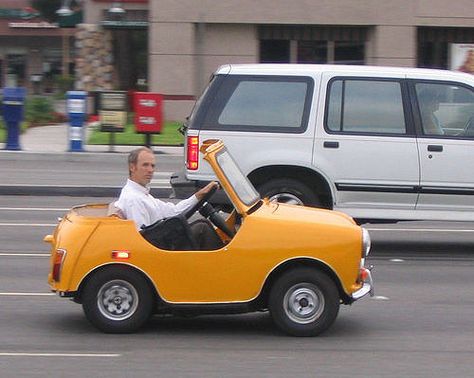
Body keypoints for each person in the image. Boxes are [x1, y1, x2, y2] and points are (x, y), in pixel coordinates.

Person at [115, 146, 223, 250]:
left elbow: (173, 211)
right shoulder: (134, 199)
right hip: (158, 249)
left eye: (152, 166)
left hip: (160, 240)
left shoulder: (141, 193)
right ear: (132, 167)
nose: (150, 170)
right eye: (145, 165)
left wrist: (199, 195)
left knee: (202, 224)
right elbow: (141, 239)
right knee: (202, 228)